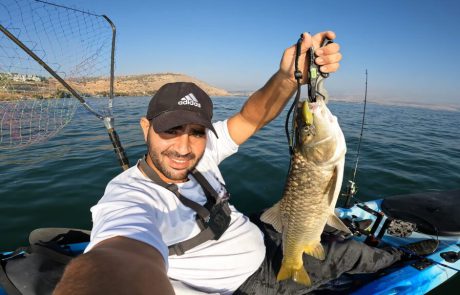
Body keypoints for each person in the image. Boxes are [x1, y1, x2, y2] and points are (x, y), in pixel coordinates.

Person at [54, 31, 437, 295]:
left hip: (262, 234)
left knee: (327, 236)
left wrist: (290, 77)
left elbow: (251, 116)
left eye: (196, 131)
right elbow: (119, 258)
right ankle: (404, 258)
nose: (184, 147)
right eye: (170, 131)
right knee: (351, 254)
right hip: (252, 281)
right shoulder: (129, 198)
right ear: (145, 128)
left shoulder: (202, 152)